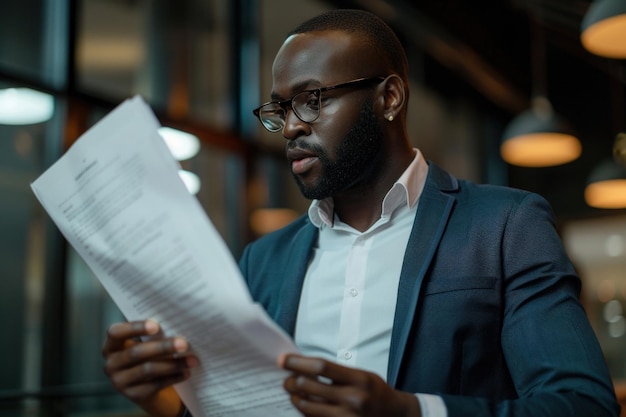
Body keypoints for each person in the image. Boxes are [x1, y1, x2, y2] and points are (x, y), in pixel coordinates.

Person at [101, 8, 620, 417]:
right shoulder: (263, 260)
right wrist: (162, 399)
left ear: (389, 96)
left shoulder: (505, 226)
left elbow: (581, 404)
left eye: (311, 100)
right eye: (280, 109)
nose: (290, 128)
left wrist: (412, 412)